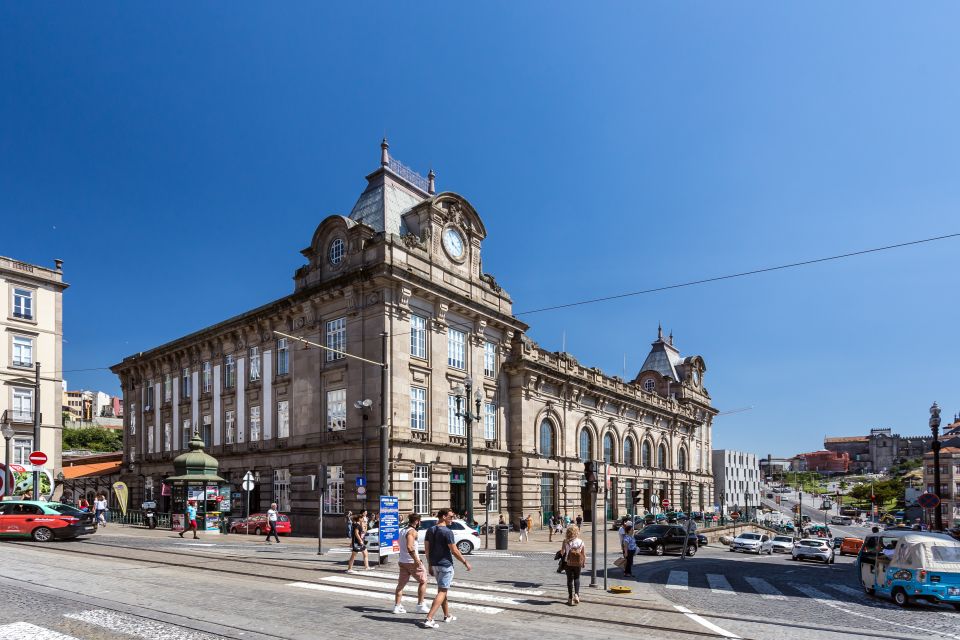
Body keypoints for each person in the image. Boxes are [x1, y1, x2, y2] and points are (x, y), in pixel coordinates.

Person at [421, 508, 471, 628]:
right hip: (445, 565)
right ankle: (429, 618)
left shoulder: (430, 530)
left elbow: (427, 550)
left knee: (442, 591)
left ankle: (447, 615)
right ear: (443, 517)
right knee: (442, 591)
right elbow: (454, 550)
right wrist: (465, 562)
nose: (452, 520)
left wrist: (430, 565)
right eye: (451, 517)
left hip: (435, 565)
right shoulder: (447, 532)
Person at [393, 513, 430, 615]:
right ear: (417, 521)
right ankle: (420, 605)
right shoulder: (412, 532)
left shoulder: (402, 530)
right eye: (419, 521)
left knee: (400, 585)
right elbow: (410, 547)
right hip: (412, 562)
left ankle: (397, 606)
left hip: (403, 561)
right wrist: (416, 560)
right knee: (423, 581)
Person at [560, 525, 586, 606]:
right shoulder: (581, 541)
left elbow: (562, 552)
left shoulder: (565, 541)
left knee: (569, 580)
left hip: (568, 563)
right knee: (577, 578)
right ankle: (577, 595)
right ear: (577, 532)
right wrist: (583, 563)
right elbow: (583, 554)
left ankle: (570, 598)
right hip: (578, 563)